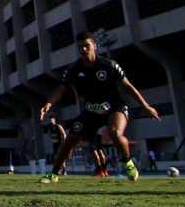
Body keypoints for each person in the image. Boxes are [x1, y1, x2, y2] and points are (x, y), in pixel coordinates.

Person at [39, 31, 160, 184]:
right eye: (80, 47)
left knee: (115, 132)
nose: (83, 49)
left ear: (95, 46)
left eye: (87, 46)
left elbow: (128, 86)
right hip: (91, 111)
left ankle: (128, 162)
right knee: (70, 140)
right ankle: (54, 174)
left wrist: (146, 106)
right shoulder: (74, 68)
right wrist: (48, 104)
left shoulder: (109, 65)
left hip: (114, 108)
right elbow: (61, 88)